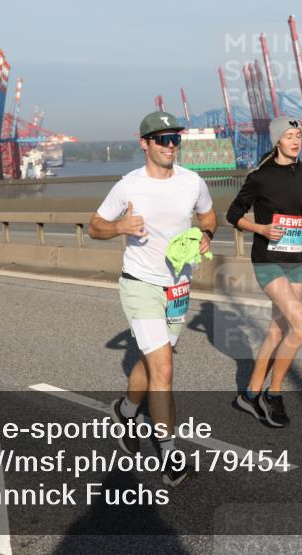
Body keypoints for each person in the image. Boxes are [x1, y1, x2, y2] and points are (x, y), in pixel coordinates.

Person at [89, 110, 217, 488]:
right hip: (140, 283)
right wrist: (119, 227)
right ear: (144, 143)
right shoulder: (128, 186)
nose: (170, 145)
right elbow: (95, 227)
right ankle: (171, 456)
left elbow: (209, 218)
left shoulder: (193, 182)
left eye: (175, 138)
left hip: (178, 287)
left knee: (152, 360)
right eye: (162, 139)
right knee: (163, 370)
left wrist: (205, 234)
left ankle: (126, 412)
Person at [226, 116, 302, 428]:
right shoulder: (261, 177)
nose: (296, 141)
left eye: (299, 136)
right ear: (277, 141)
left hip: (297, 258)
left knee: (277, 331)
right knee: (301, 328)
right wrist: (261, 229)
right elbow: (233, 214)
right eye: (290, 136)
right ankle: (274, 393)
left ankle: (250, 394)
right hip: (268, 258)